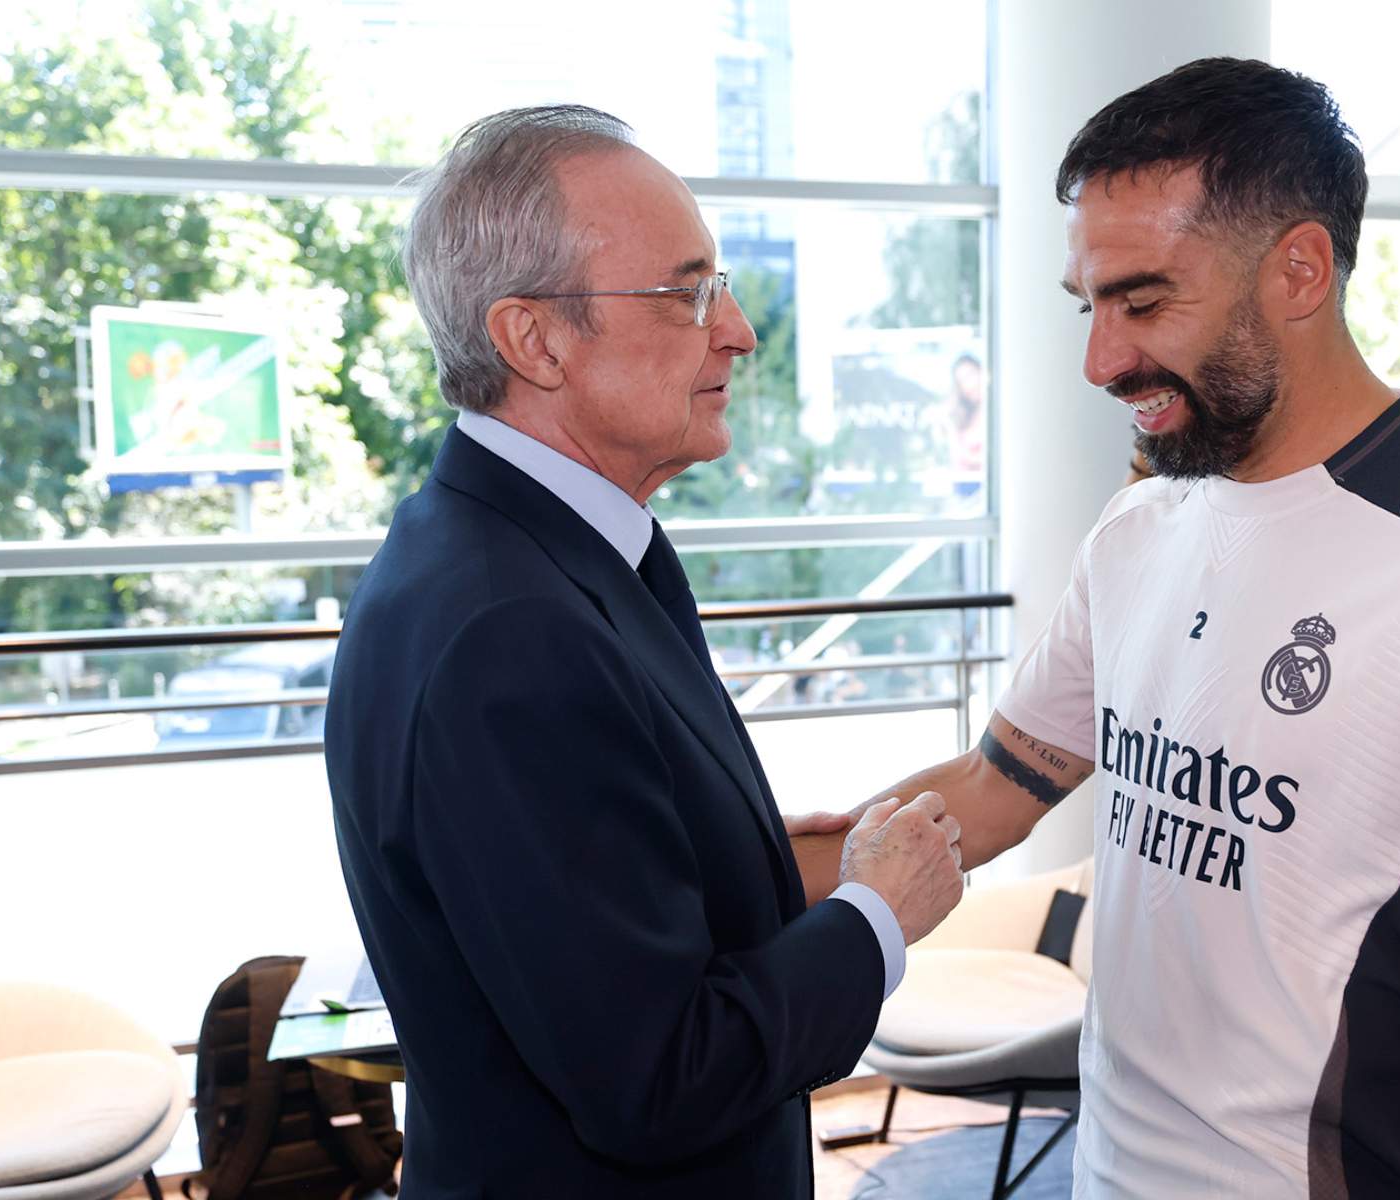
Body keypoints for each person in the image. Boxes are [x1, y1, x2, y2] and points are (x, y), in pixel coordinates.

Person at [796, 58, 1400, 1198]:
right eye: (1089, 304)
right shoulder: (1140, 525)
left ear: (1299, 269)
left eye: (1144, 302)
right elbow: (988, 790)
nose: (1100, 360)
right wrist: (699, 878)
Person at [322, 105, 965, 1198]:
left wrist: (740, 855)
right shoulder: (510, 634)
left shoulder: (516, 551)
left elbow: (566, 911)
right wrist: (874, 919)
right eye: (686, 293)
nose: (738, 332)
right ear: (534, 339)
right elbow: (658, 1081)